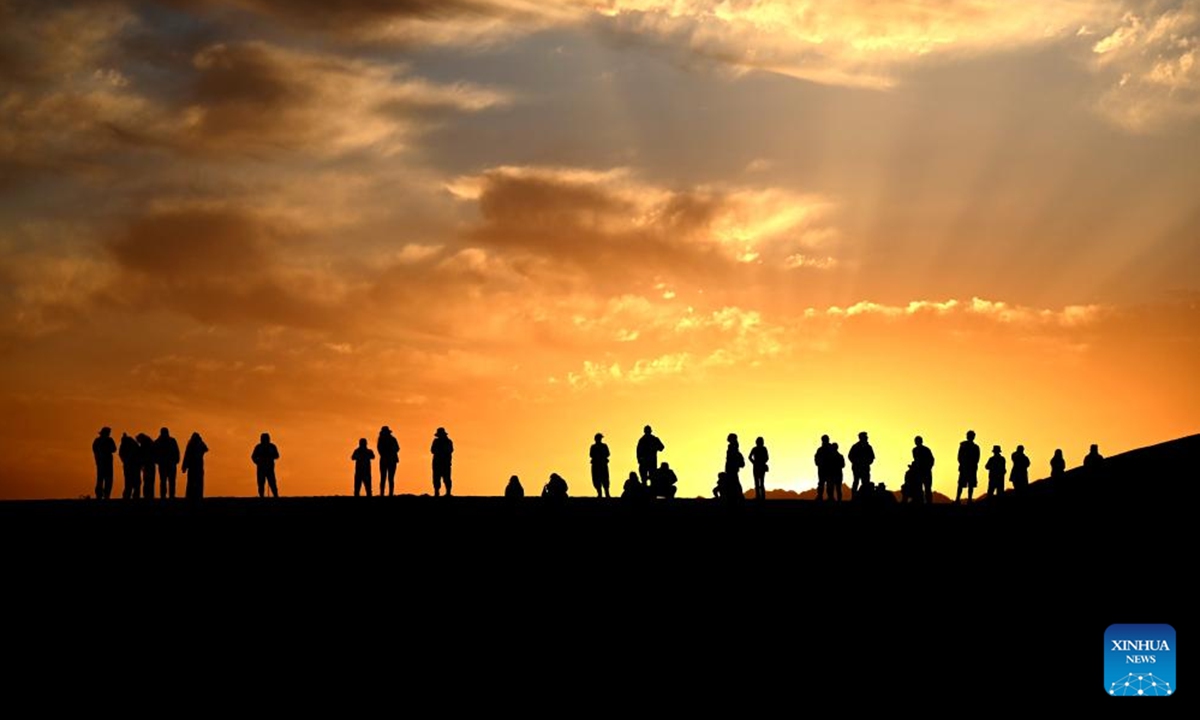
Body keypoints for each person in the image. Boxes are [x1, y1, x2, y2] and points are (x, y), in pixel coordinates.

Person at [252, 432, 280, 497]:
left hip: (269, 469)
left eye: (266, 439)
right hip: (261, 468)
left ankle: (276, 496)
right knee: (261, 483)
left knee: (272, 483)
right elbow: (253, 457)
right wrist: (257, 462)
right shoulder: (258, 447)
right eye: (263, 439)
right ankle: (261, 496)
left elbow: (277, 456)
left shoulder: (272, 446)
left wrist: (270, 456)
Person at [155, 427, 181, 499]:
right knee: (166, 481)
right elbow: (154, 453)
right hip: (167, 464)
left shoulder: (159, 442)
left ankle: (168, 496)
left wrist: (176, 460)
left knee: (168, 481)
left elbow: (176, 452)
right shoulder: (171, 441)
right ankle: (166, 496)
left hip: (168, 464)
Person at [181, 432, 208, 500]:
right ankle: (194, 496)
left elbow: (186, 456)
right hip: (195, 467)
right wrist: (184, 466)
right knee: (194, 482)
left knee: (194, 482)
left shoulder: (192, 444)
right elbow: (186, 456)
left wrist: (184, 466)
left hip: (195, 467)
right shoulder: (194, 444)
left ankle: (193, 496)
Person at [956, 430, 980, 505]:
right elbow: (959, 457)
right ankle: (959, 499)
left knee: (969, 484)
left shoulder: (974, 447)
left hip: (969, 468)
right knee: (963, 484)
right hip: (966, 467)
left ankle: (966, 500)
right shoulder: (965, 445)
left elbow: (977, 458)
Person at [848, 431, 874, 498]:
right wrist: (856, 462)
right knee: (856, 482)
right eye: (865, 437)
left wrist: (867, 463)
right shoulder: (855, 447)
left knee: (865, 483)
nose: (867, 438)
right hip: (857, 468)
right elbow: (850, 456)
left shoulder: (868, 447)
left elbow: (872, 457)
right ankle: (854, 497)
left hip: (865, 468)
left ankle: (864, 497)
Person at [92, 427, 116, 500]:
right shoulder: (106, 440)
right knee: (104, 479)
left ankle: (104, 495)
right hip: (103, 463)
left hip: (103, 463)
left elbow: (114, 449)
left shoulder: (98, 441)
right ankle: (103, 495)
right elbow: (114, 449)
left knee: (103, 479)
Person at [377, 426, 399, 497]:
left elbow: (379, 449)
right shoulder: (392, 439)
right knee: (388, 478)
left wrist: (386, 453)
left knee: (386, 478)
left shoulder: (382, 439)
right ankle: (388, 494)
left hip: (386, 460)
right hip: (389, 460)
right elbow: (397, 448)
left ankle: (385, 494)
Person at [430, 427, 453, 497]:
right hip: (439, 463)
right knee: (437, 478)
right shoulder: (437, 441)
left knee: (446, 478)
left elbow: (450, 450)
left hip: (443, 463)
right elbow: (432, 450)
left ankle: (447, 493)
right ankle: (437, 492)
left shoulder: (448, 442)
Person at [912, 436, 935, 505]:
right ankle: (921, 502)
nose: (916, 442)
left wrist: (928, 468)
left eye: (917, 441)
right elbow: (916, 461)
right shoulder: (915, 450)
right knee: (920, 488)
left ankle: (928, 502)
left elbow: (931, 460)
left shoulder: (925, 450)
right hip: (920, 472)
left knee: (927, 488)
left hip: (925, 471)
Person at [119, 432, 141, 499]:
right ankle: (133, 495)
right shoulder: (133, 444)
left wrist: (125, 461)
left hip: (130, 466)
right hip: (133, 466)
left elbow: (121, 454)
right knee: (134, 482)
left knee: (129, 482)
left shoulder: (126, 445)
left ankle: (129, 495)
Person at [590, 432, 611, 498]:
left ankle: (606, 494)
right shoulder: (594, 447)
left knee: (604, 480)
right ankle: (600, 494)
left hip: (601, 465)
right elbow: (591, 455)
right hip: (598, 465)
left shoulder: (603, 446)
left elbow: (608, 454)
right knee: (597, 480)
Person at [814, 435, 833, 502]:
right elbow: (816, 458)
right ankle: (821, 496)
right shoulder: (821, 449)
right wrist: (819, 464)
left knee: (828, 483)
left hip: (827, 469)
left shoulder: (828, 449)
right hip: (823, 469)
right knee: (823, 483)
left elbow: (816, 458)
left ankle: (829, 497)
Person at [137, 433, 156, 499]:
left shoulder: (144, 445)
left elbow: (141, 455)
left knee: (147, 480)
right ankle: (150, 495)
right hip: (151, 464)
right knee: (150, 481)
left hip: (147, 465)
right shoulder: (151, 443)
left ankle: (147, 495)